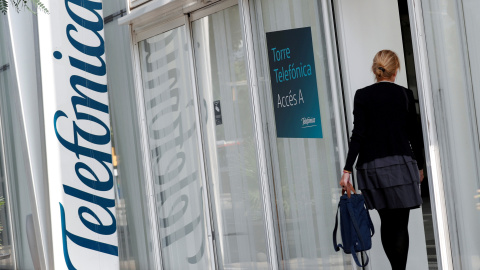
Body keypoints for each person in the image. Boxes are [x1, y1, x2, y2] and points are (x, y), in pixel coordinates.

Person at [339, 50, 425, 270]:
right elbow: (415, 134)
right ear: (396, 70)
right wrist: (421, 166)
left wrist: (347, 169)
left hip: (372, 168)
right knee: (400, 225)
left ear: (375, 70)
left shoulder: (362, 95)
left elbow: (357, 134)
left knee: (387, 221)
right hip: (401, 166)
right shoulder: (404, 94)